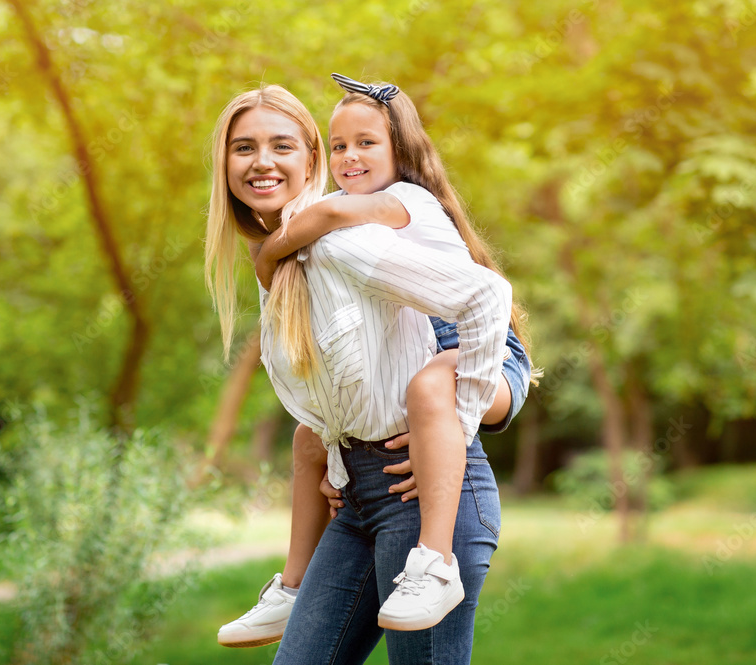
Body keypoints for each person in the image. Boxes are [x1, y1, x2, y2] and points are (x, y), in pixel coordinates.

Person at [217, 74, 536, 647]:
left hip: (447, 420)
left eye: (281, 146)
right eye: (243, 148)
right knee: (308, 435)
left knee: (433, 387)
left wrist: (455, 433)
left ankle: (434, 561)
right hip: (359, 500)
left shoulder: (354, 221)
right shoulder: (296, 253)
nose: (351, 156)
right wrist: (339, 461)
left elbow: (486, 299)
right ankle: (292, 586)